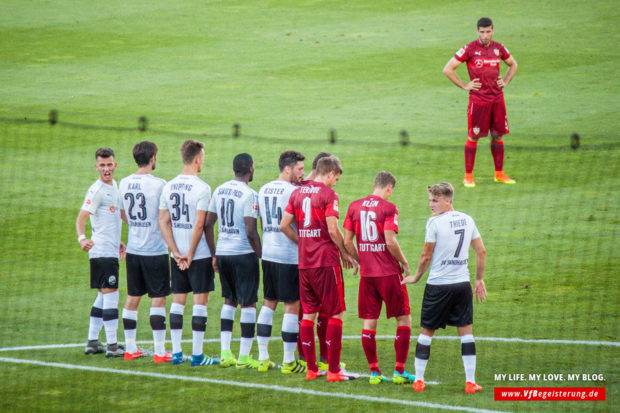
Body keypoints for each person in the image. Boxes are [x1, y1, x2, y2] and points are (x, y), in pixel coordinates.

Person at [402, 182, 487, 394]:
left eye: (435, 200)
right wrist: (478, 279)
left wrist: (416, 277)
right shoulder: (468, 219)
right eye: (430, 200)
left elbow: (425, 255)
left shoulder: (434, 223)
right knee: (466, 332)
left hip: (438, 286)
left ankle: (419, 380)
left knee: (426, 332)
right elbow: (481, 251)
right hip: (462, 285)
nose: (431, 204)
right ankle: (470, 382)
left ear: (448, 200)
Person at [280, 155, 359, 382]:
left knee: (309, 314)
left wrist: (304, 242)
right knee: (336, 313)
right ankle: (334, 370)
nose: (335, 183)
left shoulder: (297, 192)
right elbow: (334, 231)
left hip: (304, 264)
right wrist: (346, 254)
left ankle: (312, 369)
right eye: (336, 178)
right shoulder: (328, 194)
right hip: (325, 262)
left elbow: (284, 225)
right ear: (330, 173)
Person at [343, 171, 415, 385]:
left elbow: (347, 242)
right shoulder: (389, 208)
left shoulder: (354, 206)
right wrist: (404, 261)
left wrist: (360, 260)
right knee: (404, 319)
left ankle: (374, 372)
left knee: (369, 322)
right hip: (389, 274)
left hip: (368, 276)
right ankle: (399, 371)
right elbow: (390, 241)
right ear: (389, 188)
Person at [159, 139, 218, 367]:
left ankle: (175, 353)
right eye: (202, 158)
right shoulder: (202, 188)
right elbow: (199, 224)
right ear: (196, 159)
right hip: (199, 255)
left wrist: (175, 252)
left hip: (176, 255)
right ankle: (197, 355)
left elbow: (163, 222)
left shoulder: (169, 186)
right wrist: (190, 253)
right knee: (200, 303)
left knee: (178, 301)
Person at [443, 17, 518, 187]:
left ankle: (499, 173)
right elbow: (448, 69)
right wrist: (464, 85)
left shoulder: (499, 48)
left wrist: (505, 82)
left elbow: (513, 64)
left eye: (488, 31)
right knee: (474, 136)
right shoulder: (469, 49)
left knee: (498, 135)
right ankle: (468, 176)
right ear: (477, 32)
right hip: (479, 101)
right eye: (482, 32)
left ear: (493, 31)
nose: (485, 35)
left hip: (497, 99)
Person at [205, 153, 262, 369]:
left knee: (229, 300)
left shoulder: (219, 189)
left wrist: (214, 254)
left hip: (223, 253)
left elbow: (208, 224)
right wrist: (261, 255)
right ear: (250, 168)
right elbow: (250, 231)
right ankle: (245, 358)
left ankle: (226, 353)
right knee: (248, 303)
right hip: (243, 254)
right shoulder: (250, 194)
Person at [119, 141, 171, 363]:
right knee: (158, 299)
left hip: (134, 250)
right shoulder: (160, 184)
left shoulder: (123, 182)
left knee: (132, 298)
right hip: (155, 250)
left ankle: (130, 349)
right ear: (152, 159)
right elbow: (165, 218)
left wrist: (136, 227)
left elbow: (123, 213)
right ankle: (160, 352)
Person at [256, 150, 307, 374]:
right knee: (291, 306)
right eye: (299, 169)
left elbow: (260, 222)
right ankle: (288, 361)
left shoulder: (264, 188)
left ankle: (262, 358)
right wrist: (303, 244)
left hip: (268, 253)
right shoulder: (294, 192)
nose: (302, 174)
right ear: (288, 169)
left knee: (268, 302)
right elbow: (290, 224)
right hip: (288, 255)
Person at [76, 147, 126, 358]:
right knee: (111, 297)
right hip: (102, 251)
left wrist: (119, 242)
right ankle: (113, 346)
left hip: (109, 250)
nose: (106, 169)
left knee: (101, 297)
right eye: (102, 165)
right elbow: (81, 218)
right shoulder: (96, 190)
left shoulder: (114, 185)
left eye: (109, 164)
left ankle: (93, 342)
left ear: (115, 165)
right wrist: (82, 238)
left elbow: (112, 219)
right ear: (96, 166)